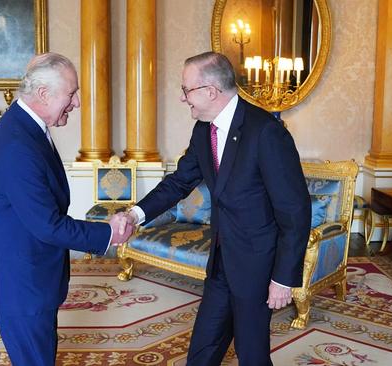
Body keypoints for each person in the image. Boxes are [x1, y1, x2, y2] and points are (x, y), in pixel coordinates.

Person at [125, 51, 311, 365]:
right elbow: (179, 182)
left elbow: (294, 210)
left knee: (252, 355)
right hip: (221, 261)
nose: (184, 98)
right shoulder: (204, 131)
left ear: (210, 91)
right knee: (202, 351)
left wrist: (283, 278)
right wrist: (135, 214)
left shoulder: (265, 132)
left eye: (186, 90)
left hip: (257, 265)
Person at [0, 52, 134, 365]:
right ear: (44, 94)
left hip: (32, 275)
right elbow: (48, 225)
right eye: (72, 94)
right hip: (20, 285)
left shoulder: (27, 128)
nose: (76, 103)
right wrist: (109, 233)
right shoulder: (17, 145)